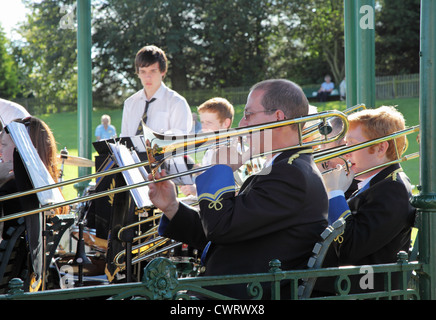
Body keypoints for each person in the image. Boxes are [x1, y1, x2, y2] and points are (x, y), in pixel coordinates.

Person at [148, 79, 328, 299]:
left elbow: (220, 227)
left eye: (249, 114)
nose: (242, 124)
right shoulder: (285, 168)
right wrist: (172, 207)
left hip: (238, 298)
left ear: (278, 117)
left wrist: (220, 169)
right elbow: (226, 233)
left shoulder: (291, 173)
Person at [321, 106, 416, 294]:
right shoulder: (376, 184)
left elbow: (349, 247)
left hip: (365, 292)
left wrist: (335, 192)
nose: (346, 153)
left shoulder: (392, 189)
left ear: (381, 148)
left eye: (352, 145)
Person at [0, 116, 68, 292]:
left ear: (22, 148)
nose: (0, 150)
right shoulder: (43, 189)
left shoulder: (11, 190)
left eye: (4, 145)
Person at [120, 45, 192, 137]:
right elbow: (124, 139)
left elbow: (180, 141)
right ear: (138, 73)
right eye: (143, 71)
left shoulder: (177, 103)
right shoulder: (129, 103)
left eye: (152, 71)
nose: (147, 77)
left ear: (163, 71)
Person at [180, 97, 234, 196]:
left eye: (209, 123)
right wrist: (199, 173)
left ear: (226, 123)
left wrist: (196, 190)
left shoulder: (231, 152)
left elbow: (225, 192)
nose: (203, 128)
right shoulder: (210, 150)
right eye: (203, 122)